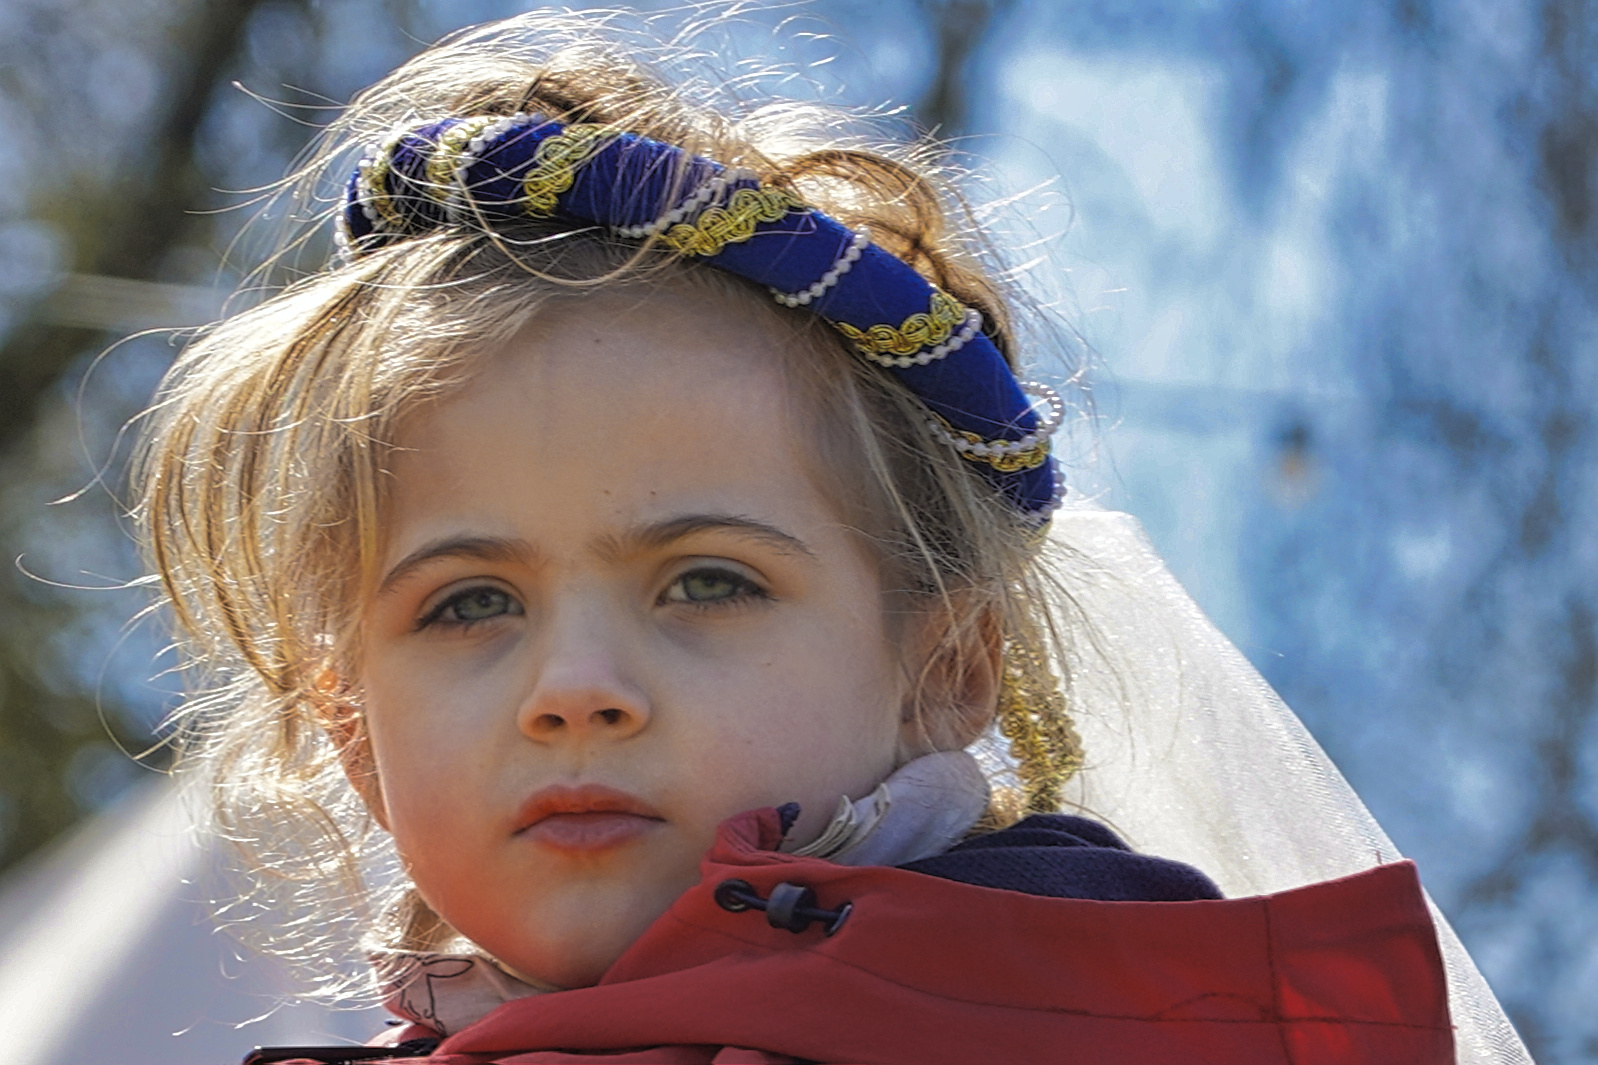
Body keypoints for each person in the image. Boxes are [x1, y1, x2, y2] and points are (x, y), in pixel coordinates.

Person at [131, 10, 1527, 1064]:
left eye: (708, 579)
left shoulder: (1090, 1025)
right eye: (465, 602)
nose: (574, 688)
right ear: (348, 719)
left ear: (943, 667)